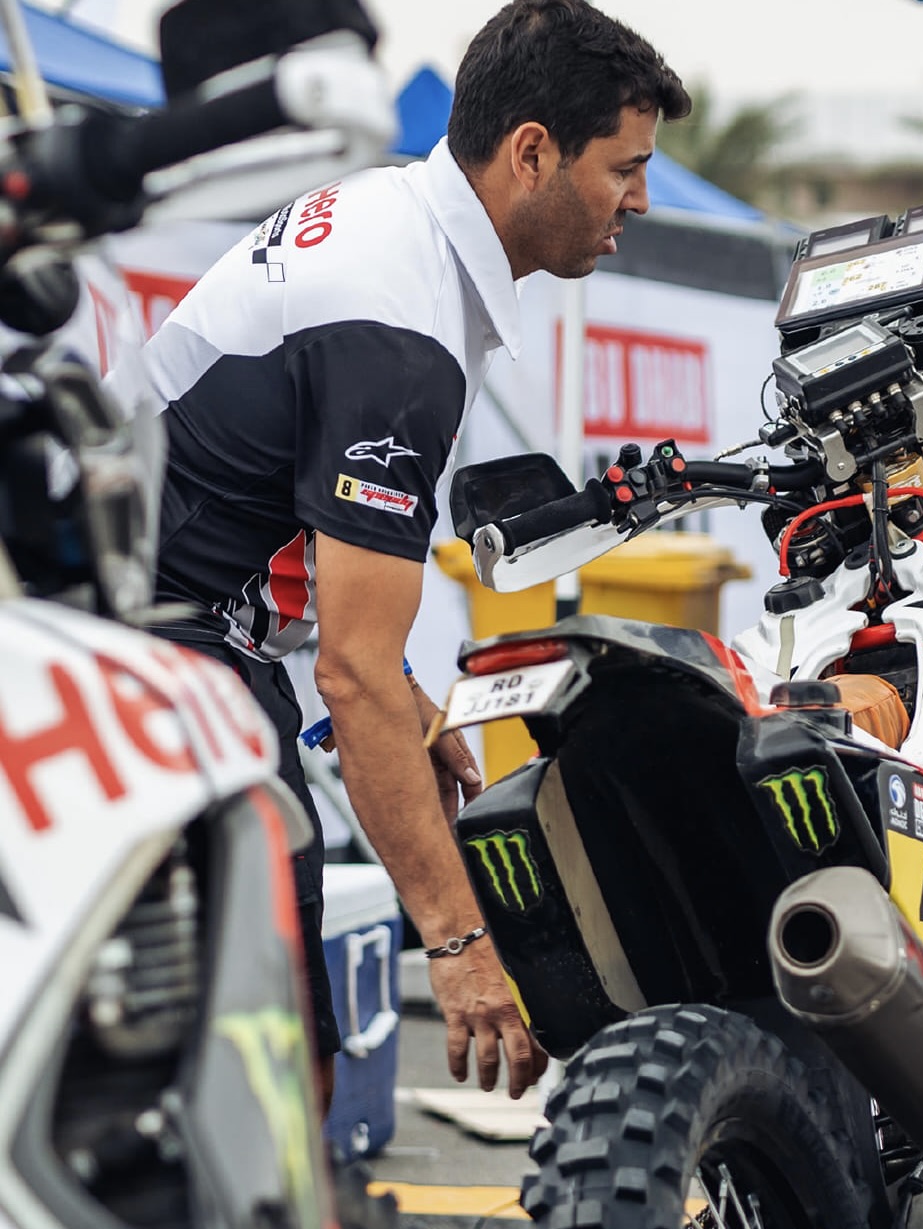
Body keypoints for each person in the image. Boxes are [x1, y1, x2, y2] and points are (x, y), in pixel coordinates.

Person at [123, 0, 689, 1101]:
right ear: (532, 152)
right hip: (162, 655)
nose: (640, 199)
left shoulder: (400, 224)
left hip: (152, 628)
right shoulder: (399, 323)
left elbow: (308, 569)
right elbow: (349, 663)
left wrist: (395, 699)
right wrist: (457, 945)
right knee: (273, 1065)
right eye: (624, 167)